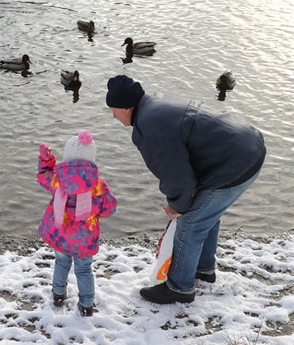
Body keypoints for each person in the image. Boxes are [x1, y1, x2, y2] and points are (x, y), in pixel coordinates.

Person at [105, 75, 266, 304]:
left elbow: (176, 175)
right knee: (204, 213)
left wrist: (177, 206)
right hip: (246, 147)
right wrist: (184, 199)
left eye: (114, 109)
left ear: (128, 107)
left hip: (235, 162)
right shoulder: (155, 105)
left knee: (190, 223)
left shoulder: (149, 129)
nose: (113, 115)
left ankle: (180, 288)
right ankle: (202, 269)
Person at [37, 130, 118, 316]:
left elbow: (43, 176)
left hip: (60, 234)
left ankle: (58, 295)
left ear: (66, 158)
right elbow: (109, 209)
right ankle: (86, 304)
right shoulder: (98, 185)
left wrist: (46, 160)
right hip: (84, 239)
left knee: (61, 262)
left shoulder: (58, 179)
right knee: (83, 270)